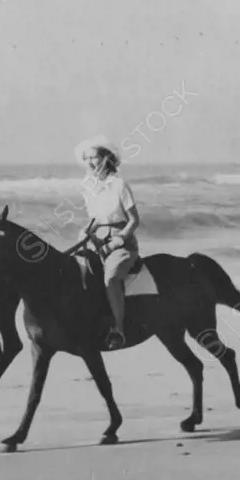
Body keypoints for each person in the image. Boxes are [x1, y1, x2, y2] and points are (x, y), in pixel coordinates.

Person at [74, 135, 140, 350]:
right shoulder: (88, 187)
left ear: (106, 159)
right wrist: (86, 230)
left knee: (111, 277)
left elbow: (134, 220)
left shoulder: (119, 185)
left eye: (94, 157)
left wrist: (119, 239)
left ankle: (118, 330)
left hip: (122, 242)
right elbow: (96, 219)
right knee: (76, 271)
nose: (90, 163)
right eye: (87, 159)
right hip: (96, 240)